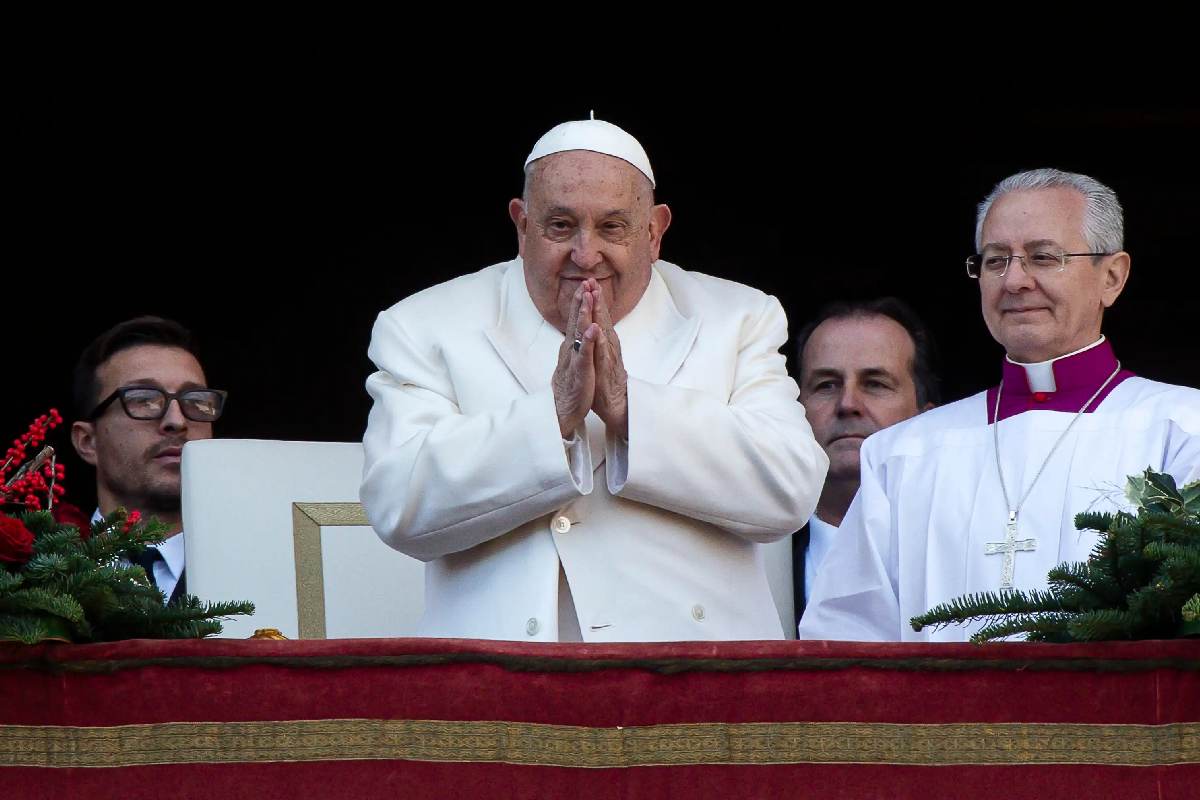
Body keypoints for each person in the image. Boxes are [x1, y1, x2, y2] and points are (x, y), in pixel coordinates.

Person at [361, 117, 827, 642]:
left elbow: (790, 489)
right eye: (560, 226)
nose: (586, 255)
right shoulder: (427, 324)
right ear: (521, 224)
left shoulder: (737, 317)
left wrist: (629, 409)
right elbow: (398, 503)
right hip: (502, 677)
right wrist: (554, 418)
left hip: (696, 673)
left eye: (613, 227)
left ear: (654, 232)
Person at [799, 168, 1200, 642]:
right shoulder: (902, 453)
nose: (1015, 280)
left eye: (1043, 257)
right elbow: (848, 637)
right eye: (995, 261)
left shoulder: (1182, 428)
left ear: (1112, 277)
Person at [791, 298, 937, 628]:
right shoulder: (748, 555)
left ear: (927, 419)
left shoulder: (957, 550)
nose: (847, 404)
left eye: (875, 384)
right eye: (826, 385)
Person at [71, 316, 226, 604]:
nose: (177, 421)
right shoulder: (31, 575)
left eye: (196, 401)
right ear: (87, 442)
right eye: (144, 399)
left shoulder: (266, 566)